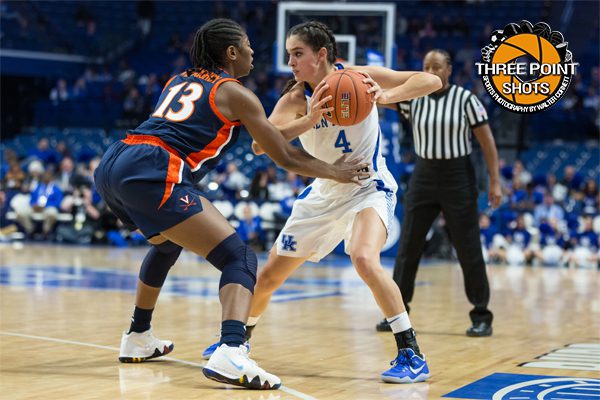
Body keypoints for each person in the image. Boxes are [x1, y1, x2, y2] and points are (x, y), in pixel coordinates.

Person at [94, 18, 368, 391]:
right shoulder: (236, 93)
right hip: (154, 167)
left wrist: (307, 120)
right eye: (248, 45)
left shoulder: (180, 79)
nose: (254, 52)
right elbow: (284, 157)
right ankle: (232, 349)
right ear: (232, 52)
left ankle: (138, 335)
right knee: (239, 257)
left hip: (115, 160)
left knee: (166, 243)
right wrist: (335, 172)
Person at [202, 20, 442, 384]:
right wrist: (309, 119)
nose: (291, 62)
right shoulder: (296, 99)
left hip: (368, 185)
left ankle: (411, 353)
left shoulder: (359, 77)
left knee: (363, 258)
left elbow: (431, 81)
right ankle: (237, 344)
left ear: (322, 54)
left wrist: (387, 96)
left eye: (298, 54)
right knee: (266, 278)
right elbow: (259, 143)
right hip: (323, 192)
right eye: (288, 55)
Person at [375, 49, 501, 337]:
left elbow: (488, 141)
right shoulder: (413, 98)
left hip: (458, 176)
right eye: (426, 65)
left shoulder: (466, 99)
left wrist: (495, 180)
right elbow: (382, 96)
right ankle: (397, 313)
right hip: (424, 175)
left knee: (467, 246)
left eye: (437, 66)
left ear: (449, 70)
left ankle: (481, 315)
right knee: (409, 246)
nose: (431, 70)